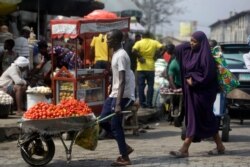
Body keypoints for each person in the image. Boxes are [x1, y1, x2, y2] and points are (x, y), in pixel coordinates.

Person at [169, 31, 225, 158]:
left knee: (195, 119)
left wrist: (193, 80)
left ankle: (184, 148)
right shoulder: (189, 53)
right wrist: (190, 43)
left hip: (202, 94)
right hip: (192, 94)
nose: (191, 43)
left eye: (194, 42)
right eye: (191, 41)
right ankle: (220, 146)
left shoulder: (207, 57)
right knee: (206, 119)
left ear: (202, 43)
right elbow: (177, 49)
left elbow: (207, 76)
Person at [99, 29, 134, 166]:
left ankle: (125, 157)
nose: (106, 41)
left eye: (109, 39)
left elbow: (122, 80)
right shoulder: (115, 53)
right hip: (114, 93)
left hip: (122, 95)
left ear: (117, 40)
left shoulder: (121, 56)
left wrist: (118, 103)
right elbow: (116, 77)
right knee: (102, 121)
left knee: (115, 125)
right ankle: (124, 146)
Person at [132, 31, 163, 108]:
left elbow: (133, 51)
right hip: (150, 67)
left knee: (141, 86)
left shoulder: (139, 43)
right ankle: (149, 103)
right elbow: (163, 48)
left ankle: (142, 104)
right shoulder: (154, 42)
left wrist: (140, 57)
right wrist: (157, 55)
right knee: (150, 86)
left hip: (141, 67)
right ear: (150, 36)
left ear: (142, 36)